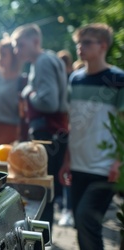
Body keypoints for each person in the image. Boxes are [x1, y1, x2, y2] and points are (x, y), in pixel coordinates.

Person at [59, 23, 124, 250]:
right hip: (77, 165)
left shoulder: (118, 80)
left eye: (86, 42)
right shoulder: (75, 79)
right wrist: (66, 161)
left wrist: (119, 160)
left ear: (103, 46)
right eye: (78, 42)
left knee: (86, 219)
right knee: (81, 223)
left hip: (105, 168)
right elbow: (73, 125)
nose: (80, 47)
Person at [11, 23, 69, 229]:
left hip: (48, 133)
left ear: (35, 41)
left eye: (20, 44)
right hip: (53, 132)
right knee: (46, 191)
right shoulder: (45, 60)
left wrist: (28, 93)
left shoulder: (43, 61)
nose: (17, 50)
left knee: (42, 191)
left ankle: (42, 240)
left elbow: (49, 102)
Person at [56, 49, 75, 227]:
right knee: (64, 170)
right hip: (63, 131)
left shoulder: (72, 80)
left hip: (68, 131)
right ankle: (64, 205)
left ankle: (69, 208)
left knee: (68, 172)